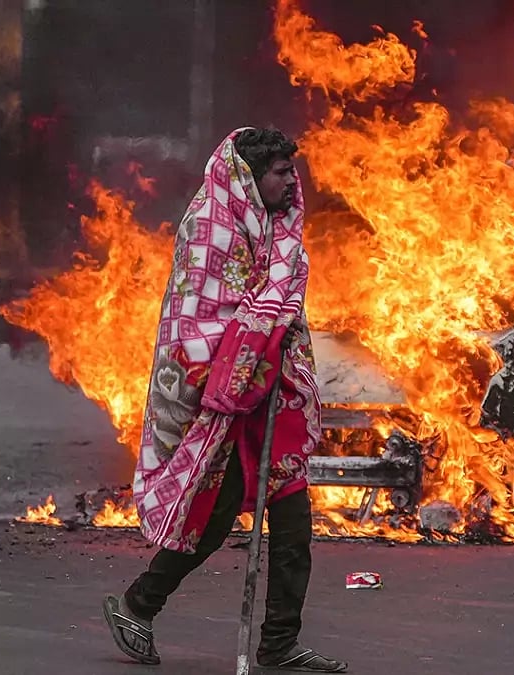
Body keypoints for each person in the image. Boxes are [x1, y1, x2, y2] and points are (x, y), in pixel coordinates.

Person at [101, 127, 346, 672]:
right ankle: (139, 604)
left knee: (292, 520)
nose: (291, 181)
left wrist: (274, 333)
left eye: (290, 170)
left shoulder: (276, 226)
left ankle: (278, 643)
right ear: (249, 176)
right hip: (223, 393)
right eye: (280, 171)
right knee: (212, 519)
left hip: (270, 390)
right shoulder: (210, 228)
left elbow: (279, 301)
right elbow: (199, 320)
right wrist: (260, 334)